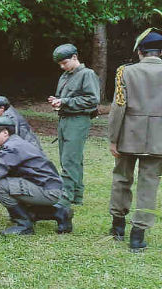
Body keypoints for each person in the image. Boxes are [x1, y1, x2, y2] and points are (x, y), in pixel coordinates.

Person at [107, 32, 162, 251]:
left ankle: (117, 226)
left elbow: (119, 107)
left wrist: (113, 139)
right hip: (159, 139)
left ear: (139, 51)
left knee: (121, 179)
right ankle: (137, 236)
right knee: (149, 185)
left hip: (128, 136)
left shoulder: (125, 72)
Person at [48, 44, 100, 207]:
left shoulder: (87, 74)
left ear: (75, 57)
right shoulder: (65, 76)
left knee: (70, 159)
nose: (62, 66)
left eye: (64, 62)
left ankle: (66, 196)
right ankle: (77, 195)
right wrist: (57, 102)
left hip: (78, 120)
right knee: (70, 158)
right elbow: (63, 98)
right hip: (65, 119)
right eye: (60, 64)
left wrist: (65, 102)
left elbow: (92, 100)